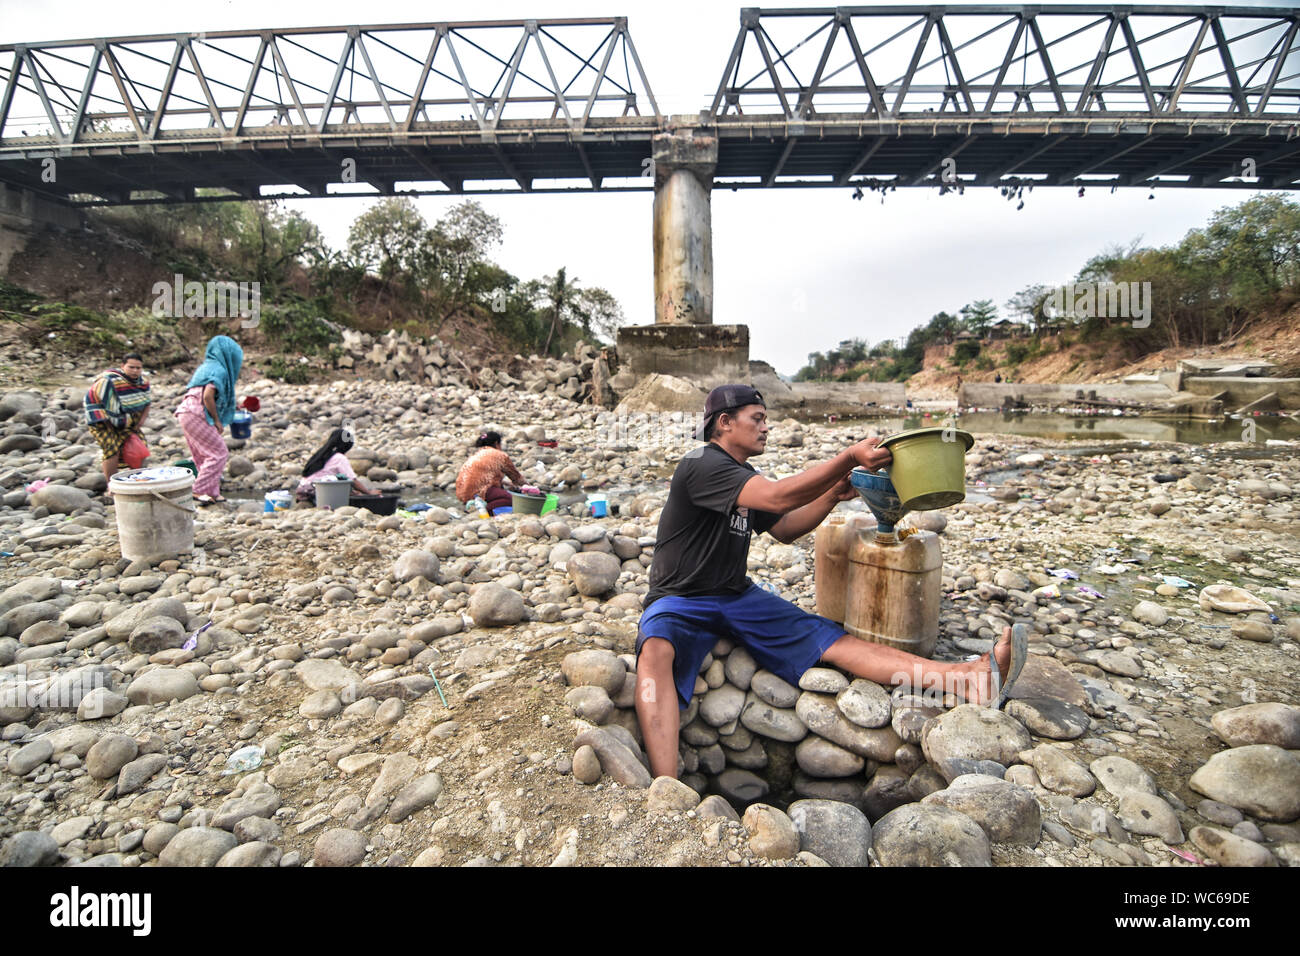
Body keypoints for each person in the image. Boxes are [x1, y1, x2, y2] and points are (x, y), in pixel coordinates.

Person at [635, 384, 1028, 780]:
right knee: (655, 650)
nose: (766, 427)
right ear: (724, 423)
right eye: (757, 419)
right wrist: (847, 459)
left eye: (766, 420)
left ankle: (967, 679)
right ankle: (666, 788)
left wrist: (831, 498)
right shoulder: (701, 462)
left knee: (836, 642)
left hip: (735, 595)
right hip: (680, 597)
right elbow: (775, 499)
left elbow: (785, 529)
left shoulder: (742, 475)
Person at [175, 335, 243, 505]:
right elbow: (207, 396)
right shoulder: (218, 370)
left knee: (202, 455)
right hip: (196, 413)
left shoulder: (206, 367)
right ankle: (198, 490)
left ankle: (212, 492)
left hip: (187, 412)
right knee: (218, 453)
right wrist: (217, 420)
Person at [84, 353, 151, 480]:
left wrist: (139, 423)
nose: (135, 371)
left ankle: (136, 480)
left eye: (138, 368)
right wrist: (111, 423)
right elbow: (93, 401)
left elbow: (146, 403)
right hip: (104, 423)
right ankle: (112, 484)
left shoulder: (143, 382)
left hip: (129, 424)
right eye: (131, 367)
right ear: (123, 366)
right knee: (112, 450)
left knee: (140, 449)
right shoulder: (108, 381)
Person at [297, 426, 382, 500]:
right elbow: (352, 480)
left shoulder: (321, 454)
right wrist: (369, 493)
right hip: (317, 492)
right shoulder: (339, 458)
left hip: (303, 489)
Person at [455, 431, 523, 515]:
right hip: (477, 490)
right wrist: (529, 488)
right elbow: (516, 477)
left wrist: (506, 483)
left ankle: (475, 505)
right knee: (510, 499)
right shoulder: (500, 455)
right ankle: (480, 511)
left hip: (463, 492)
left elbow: (484, 476)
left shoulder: (478, 454)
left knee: (501, 491)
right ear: (496, 443)